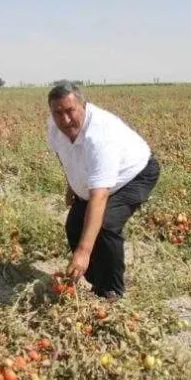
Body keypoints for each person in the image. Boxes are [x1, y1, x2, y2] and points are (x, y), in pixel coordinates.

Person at [46, 82, 160, 300]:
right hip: (98, 179)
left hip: (135, 175)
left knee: (106, 224)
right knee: (74, 226)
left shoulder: (100, 137)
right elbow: (63, 154)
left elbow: (99, 196)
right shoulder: (54, 126)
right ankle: (97, 283)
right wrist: (71, 184)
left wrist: (83, 252)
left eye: (70, 111)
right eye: (58, 113)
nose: (65, 119)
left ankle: (112, 292)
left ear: (83, 106)